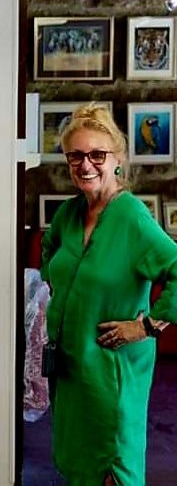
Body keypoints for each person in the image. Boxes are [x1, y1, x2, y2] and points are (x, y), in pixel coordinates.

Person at [41, 103, 177, 486]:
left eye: (97, 155)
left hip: (111, 374)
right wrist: (64, 293)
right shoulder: (69, 214)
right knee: (76, 462)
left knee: (112, 463)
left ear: (117, 159)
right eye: (75, 156)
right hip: (70, 371)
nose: (85, 165)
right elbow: (51, 254)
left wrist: (146, 326)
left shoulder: (132, 217)